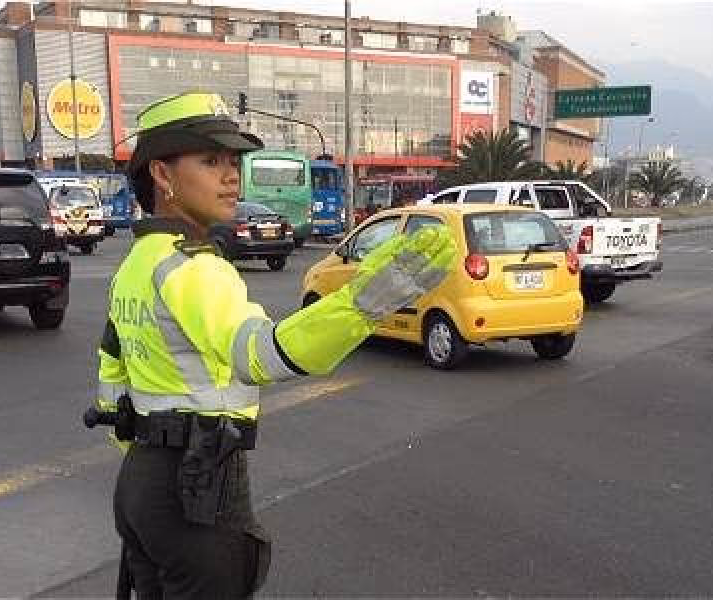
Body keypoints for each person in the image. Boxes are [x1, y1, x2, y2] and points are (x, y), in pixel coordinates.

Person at [92, 92, 453, 599]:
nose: (231, 175)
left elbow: (112, 367)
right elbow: (263, 355)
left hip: (142, 483)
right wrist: (365, 303)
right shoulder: (195, 268)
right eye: (210, 160)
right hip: (196, 489)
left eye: (234, 161)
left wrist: (141, 447)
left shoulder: (137, 264)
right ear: (162, 175)